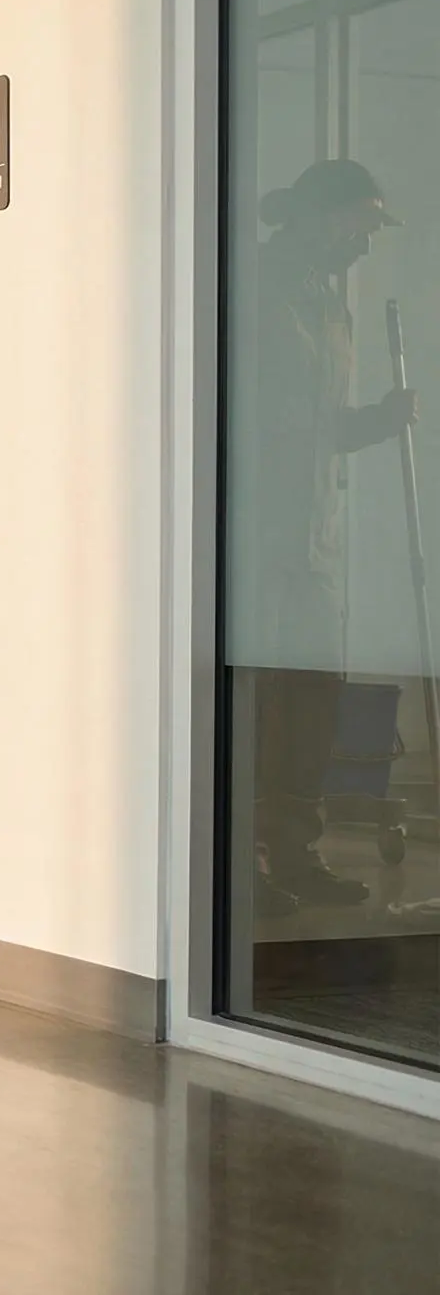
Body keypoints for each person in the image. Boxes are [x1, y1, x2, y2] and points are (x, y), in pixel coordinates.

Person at [234, 159, 415, 917]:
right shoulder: (254, 289)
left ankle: (294, 854)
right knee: (246, 697)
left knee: (310, 696)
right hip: (251, 535)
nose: (366, 246)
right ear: (323, 216)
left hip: (315, 538)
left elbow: (320, 430)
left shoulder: (332, 311)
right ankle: (232, 858)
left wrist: (376, 420)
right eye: (362, 227)